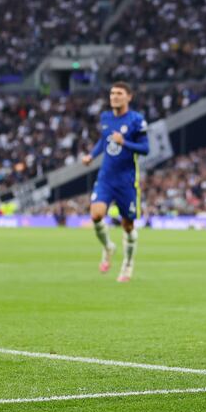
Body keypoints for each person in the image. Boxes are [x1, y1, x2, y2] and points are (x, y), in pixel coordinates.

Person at [83, 81, 149, 283]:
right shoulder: (106, 118)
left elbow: (145, 149)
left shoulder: (137, 120)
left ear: (129, 97)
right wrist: (92, 156)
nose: (114, 96)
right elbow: (104, 141)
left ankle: (128, 264)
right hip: (106, 177)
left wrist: (125, 143)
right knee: (96, 214)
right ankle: (108, 247)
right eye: (112, 93)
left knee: (127, 225)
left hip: (126, 181)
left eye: (119, 93)